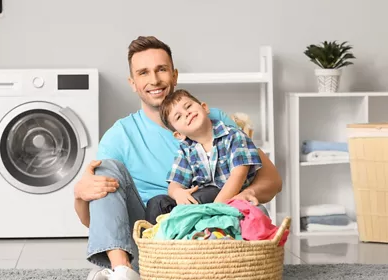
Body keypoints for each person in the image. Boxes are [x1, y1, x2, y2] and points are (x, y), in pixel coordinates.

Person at [73, 36, 282, 280]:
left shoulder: (213, 120)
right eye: (143, 73)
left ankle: (218, 265)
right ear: (132, 82)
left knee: (251, 218)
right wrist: (80, 195)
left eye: (161, 69)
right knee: (106, 168)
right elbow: (99, 222)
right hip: (152, 235)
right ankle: (122, 271)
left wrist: (245, 195)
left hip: (211, 219)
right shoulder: (119, 135)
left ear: (174, 75)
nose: (154, 80)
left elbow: (272, 181)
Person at [144, 89, 263, 225]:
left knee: (200, 197)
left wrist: (214, 209)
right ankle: (156, 242)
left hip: (227, 196)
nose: (187, 113)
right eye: (178, 117)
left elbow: (238, 175)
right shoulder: (186, 150)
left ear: (204, 108)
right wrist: (178, 193)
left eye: (188, 106)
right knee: (157, 202)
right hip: (198, 200)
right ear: (179, 135)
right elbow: (174, 184)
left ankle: (190, 228)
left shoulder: (234, 136)